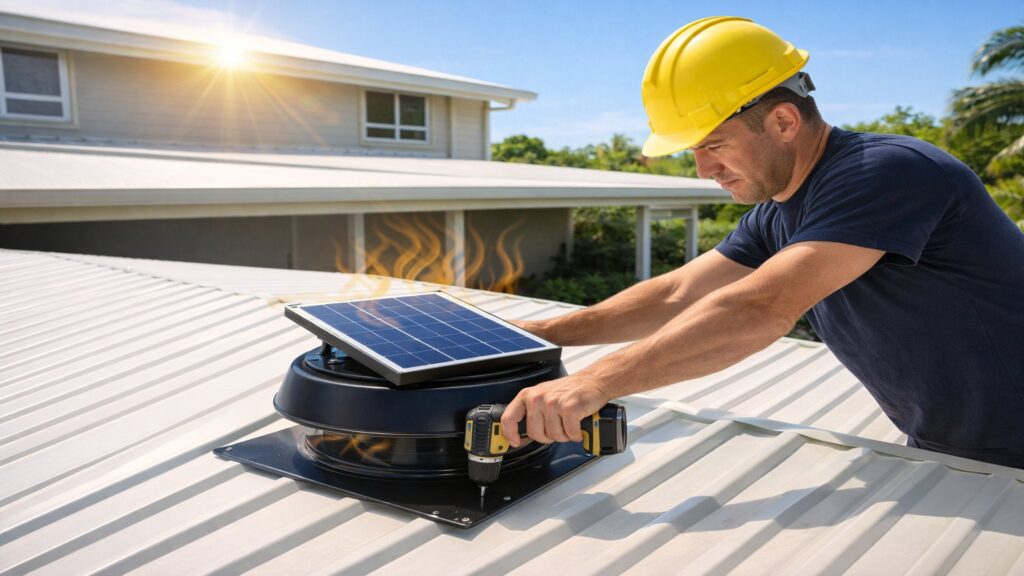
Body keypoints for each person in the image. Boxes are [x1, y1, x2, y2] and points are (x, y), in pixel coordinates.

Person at [503, 16, 1024, 468]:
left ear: (782, 121)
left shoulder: (886, 172)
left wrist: (595, 382)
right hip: (957, 451)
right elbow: (676, 295)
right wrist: (536, 335)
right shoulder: (779, 212)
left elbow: (760, 306)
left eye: (714, 145)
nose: (704, 169)